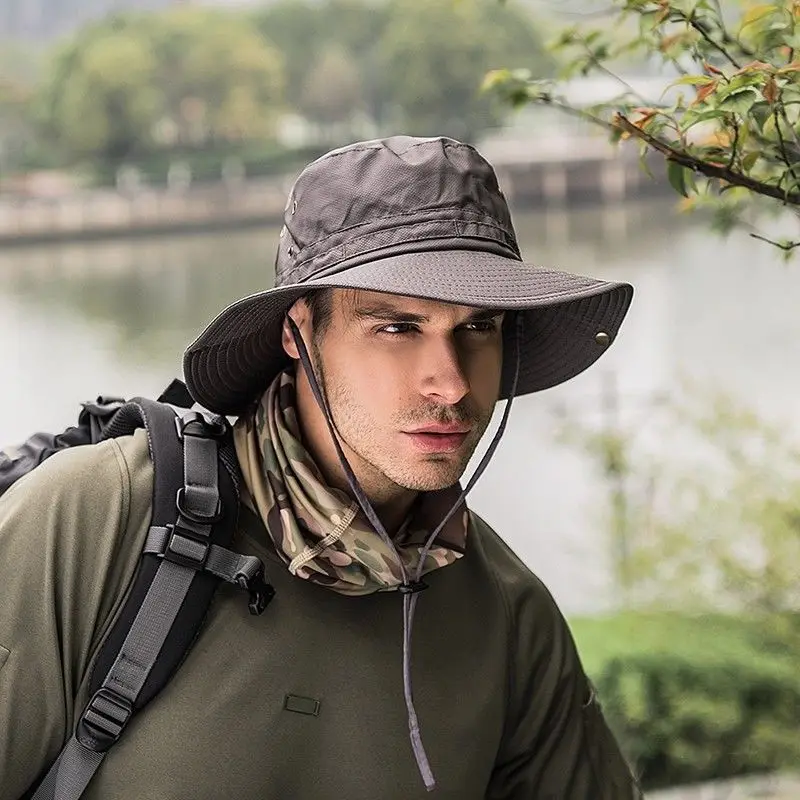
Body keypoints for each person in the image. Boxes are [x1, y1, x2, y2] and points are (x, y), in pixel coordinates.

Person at [0, 135, 640, 799]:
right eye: (397, 328)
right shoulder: (99, 517)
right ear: (299, 332)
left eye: (478, 328)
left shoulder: (507, 612)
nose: (450, 383)